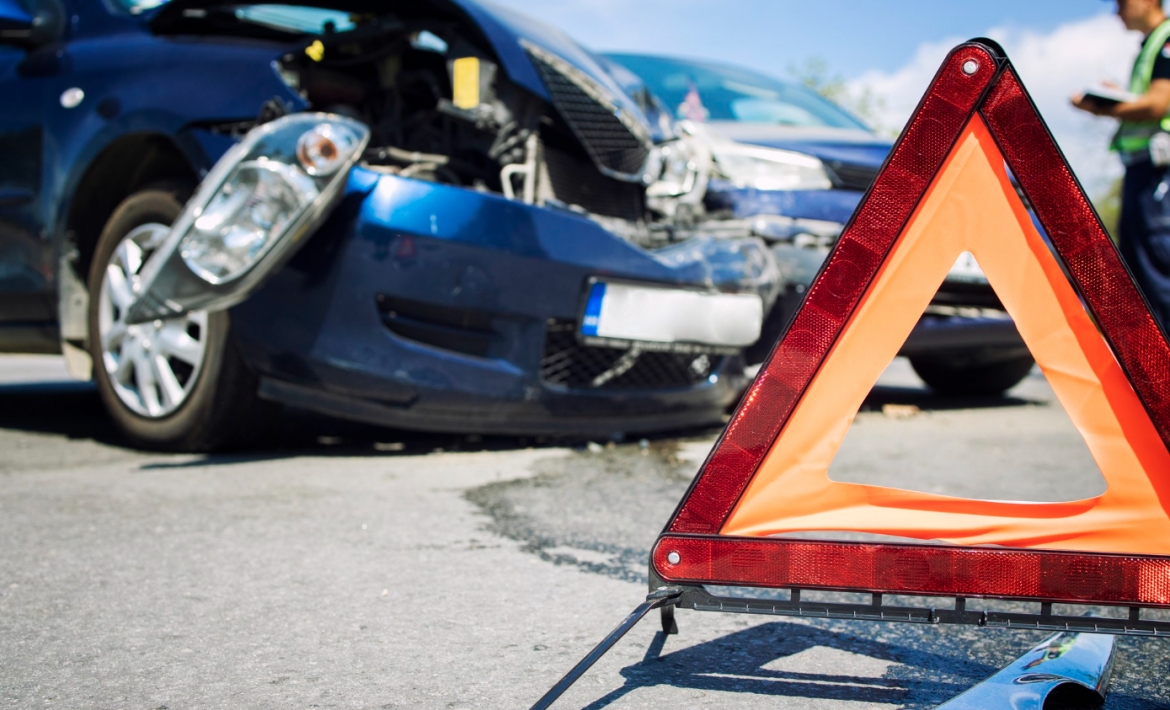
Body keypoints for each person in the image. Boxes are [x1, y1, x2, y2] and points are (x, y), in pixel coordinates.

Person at [1073, 0, 1170, 330]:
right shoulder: (1152, 45)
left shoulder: (1167, 39)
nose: (1117, 11)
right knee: (1142, 269)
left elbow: (1158, 103)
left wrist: (1103, 107)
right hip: (1146, 171)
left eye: (1122, 3)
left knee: (1157, 270)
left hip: (1158, 173)